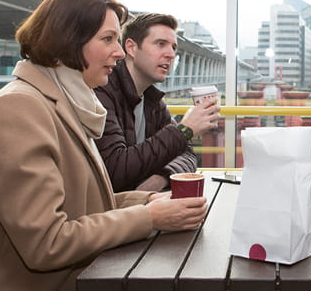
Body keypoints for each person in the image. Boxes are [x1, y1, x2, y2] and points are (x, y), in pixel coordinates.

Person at [0, 0, 207, 290]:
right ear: (70, 40)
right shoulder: (19, 108)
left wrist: (147, 200)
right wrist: (148, 217)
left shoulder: (65, 103)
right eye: (107, 39)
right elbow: (46, 243)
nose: (118, 51)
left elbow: (83, 205)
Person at [94, 13, 220, 192]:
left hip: (139, 205)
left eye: (173, 47)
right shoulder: (102, 91)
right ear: (131, 48)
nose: (170, 54)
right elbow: (115, 171)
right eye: (160, 44)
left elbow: (187, 153)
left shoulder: (152, 99)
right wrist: (185, 130)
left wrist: (162, 177)